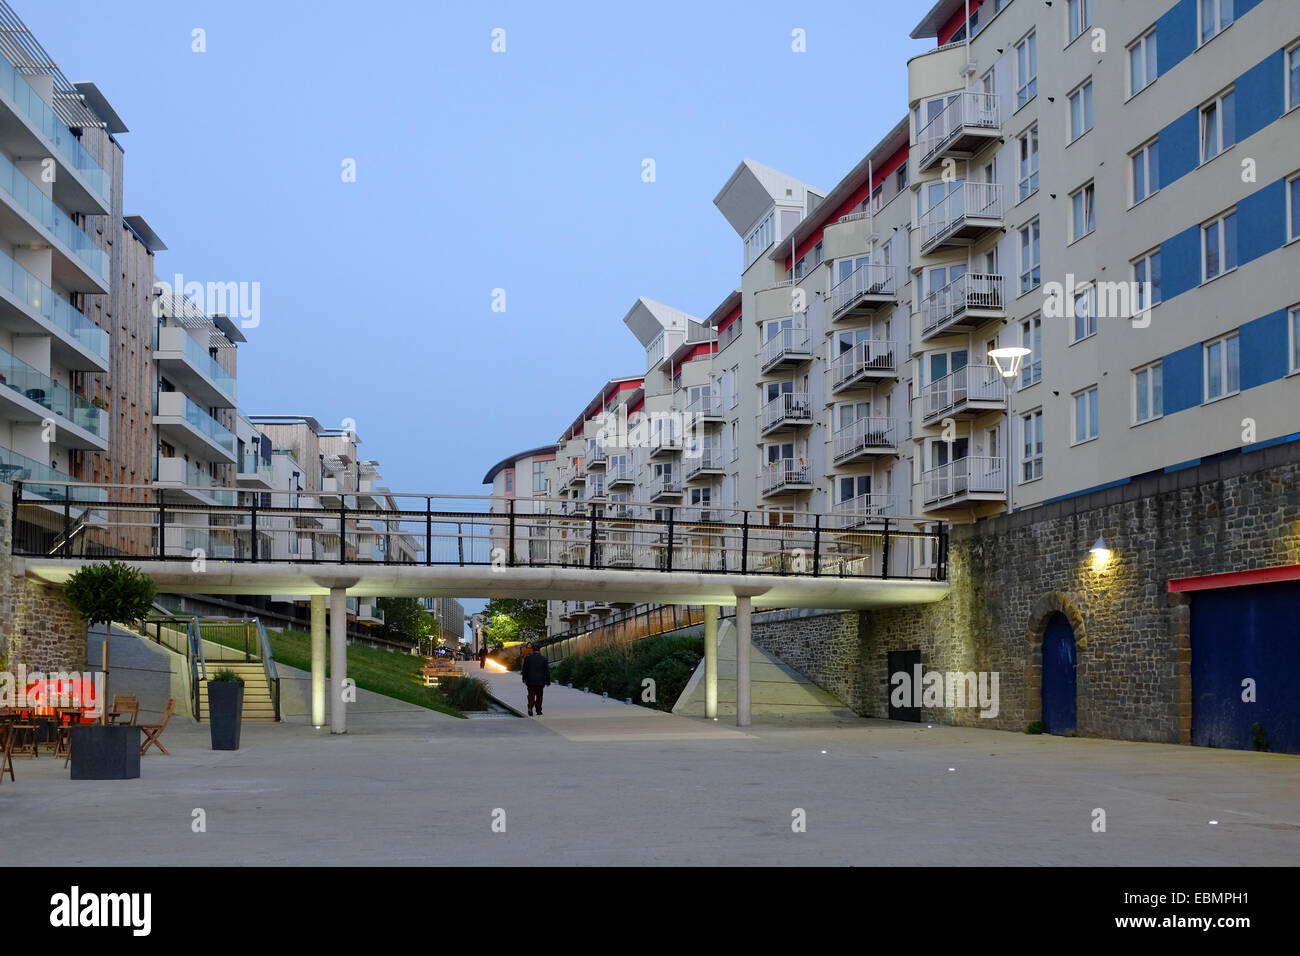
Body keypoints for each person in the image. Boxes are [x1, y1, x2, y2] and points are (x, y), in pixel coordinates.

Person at [521, 642, 550, 717]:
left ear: (532, 649)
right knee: (539, 696)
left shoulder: (528, 658)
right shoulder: (544, 659)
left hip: (530, 680)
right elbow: (546, 671)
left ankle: (530, 706)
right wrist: (548, 681)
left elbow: (524, 670)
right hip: (540, 681)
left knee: (531, 694)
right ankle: (539, 710)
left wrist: (524, 679)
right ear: (539, 650)